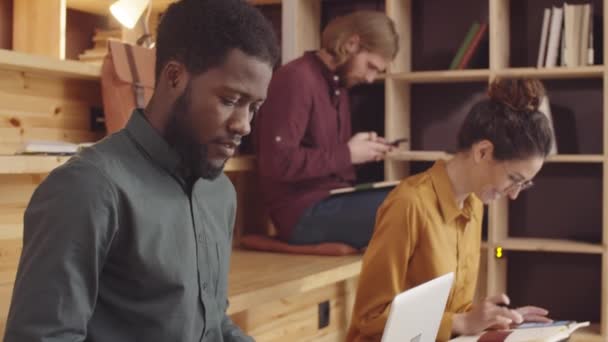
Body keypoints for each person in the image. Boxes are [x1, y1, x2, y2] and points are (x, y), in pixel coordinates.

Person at [4, 0, 279, 341]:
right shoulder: (87, 188)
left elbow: (212, 324)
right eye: (230, 100)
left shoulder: (219, 192)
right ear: (174, 77)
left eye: (254, 107)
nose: (244, 125)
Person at [347, 78, 555, 342]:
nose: (514, 195)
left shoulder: (474, 204)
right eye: (514, 179)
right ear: (482, 152)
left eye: (524, 184)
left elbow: (451, 313)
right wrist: (464, 321)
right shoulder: (409, 204)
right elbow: (370, 318)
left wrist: (495, 319)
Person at [254, 11, 400, 249]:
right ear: (352, 44)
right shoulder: (296, 78)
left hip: (332, 200)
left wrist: (359, 149)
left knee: (415, 194)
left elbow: (327, 156)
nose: (371, 78)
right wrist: (348, 153)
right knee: (409, 206)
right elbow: (277, 162)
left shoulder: (339, 87)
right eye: (371, 66)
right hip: (301, 213)